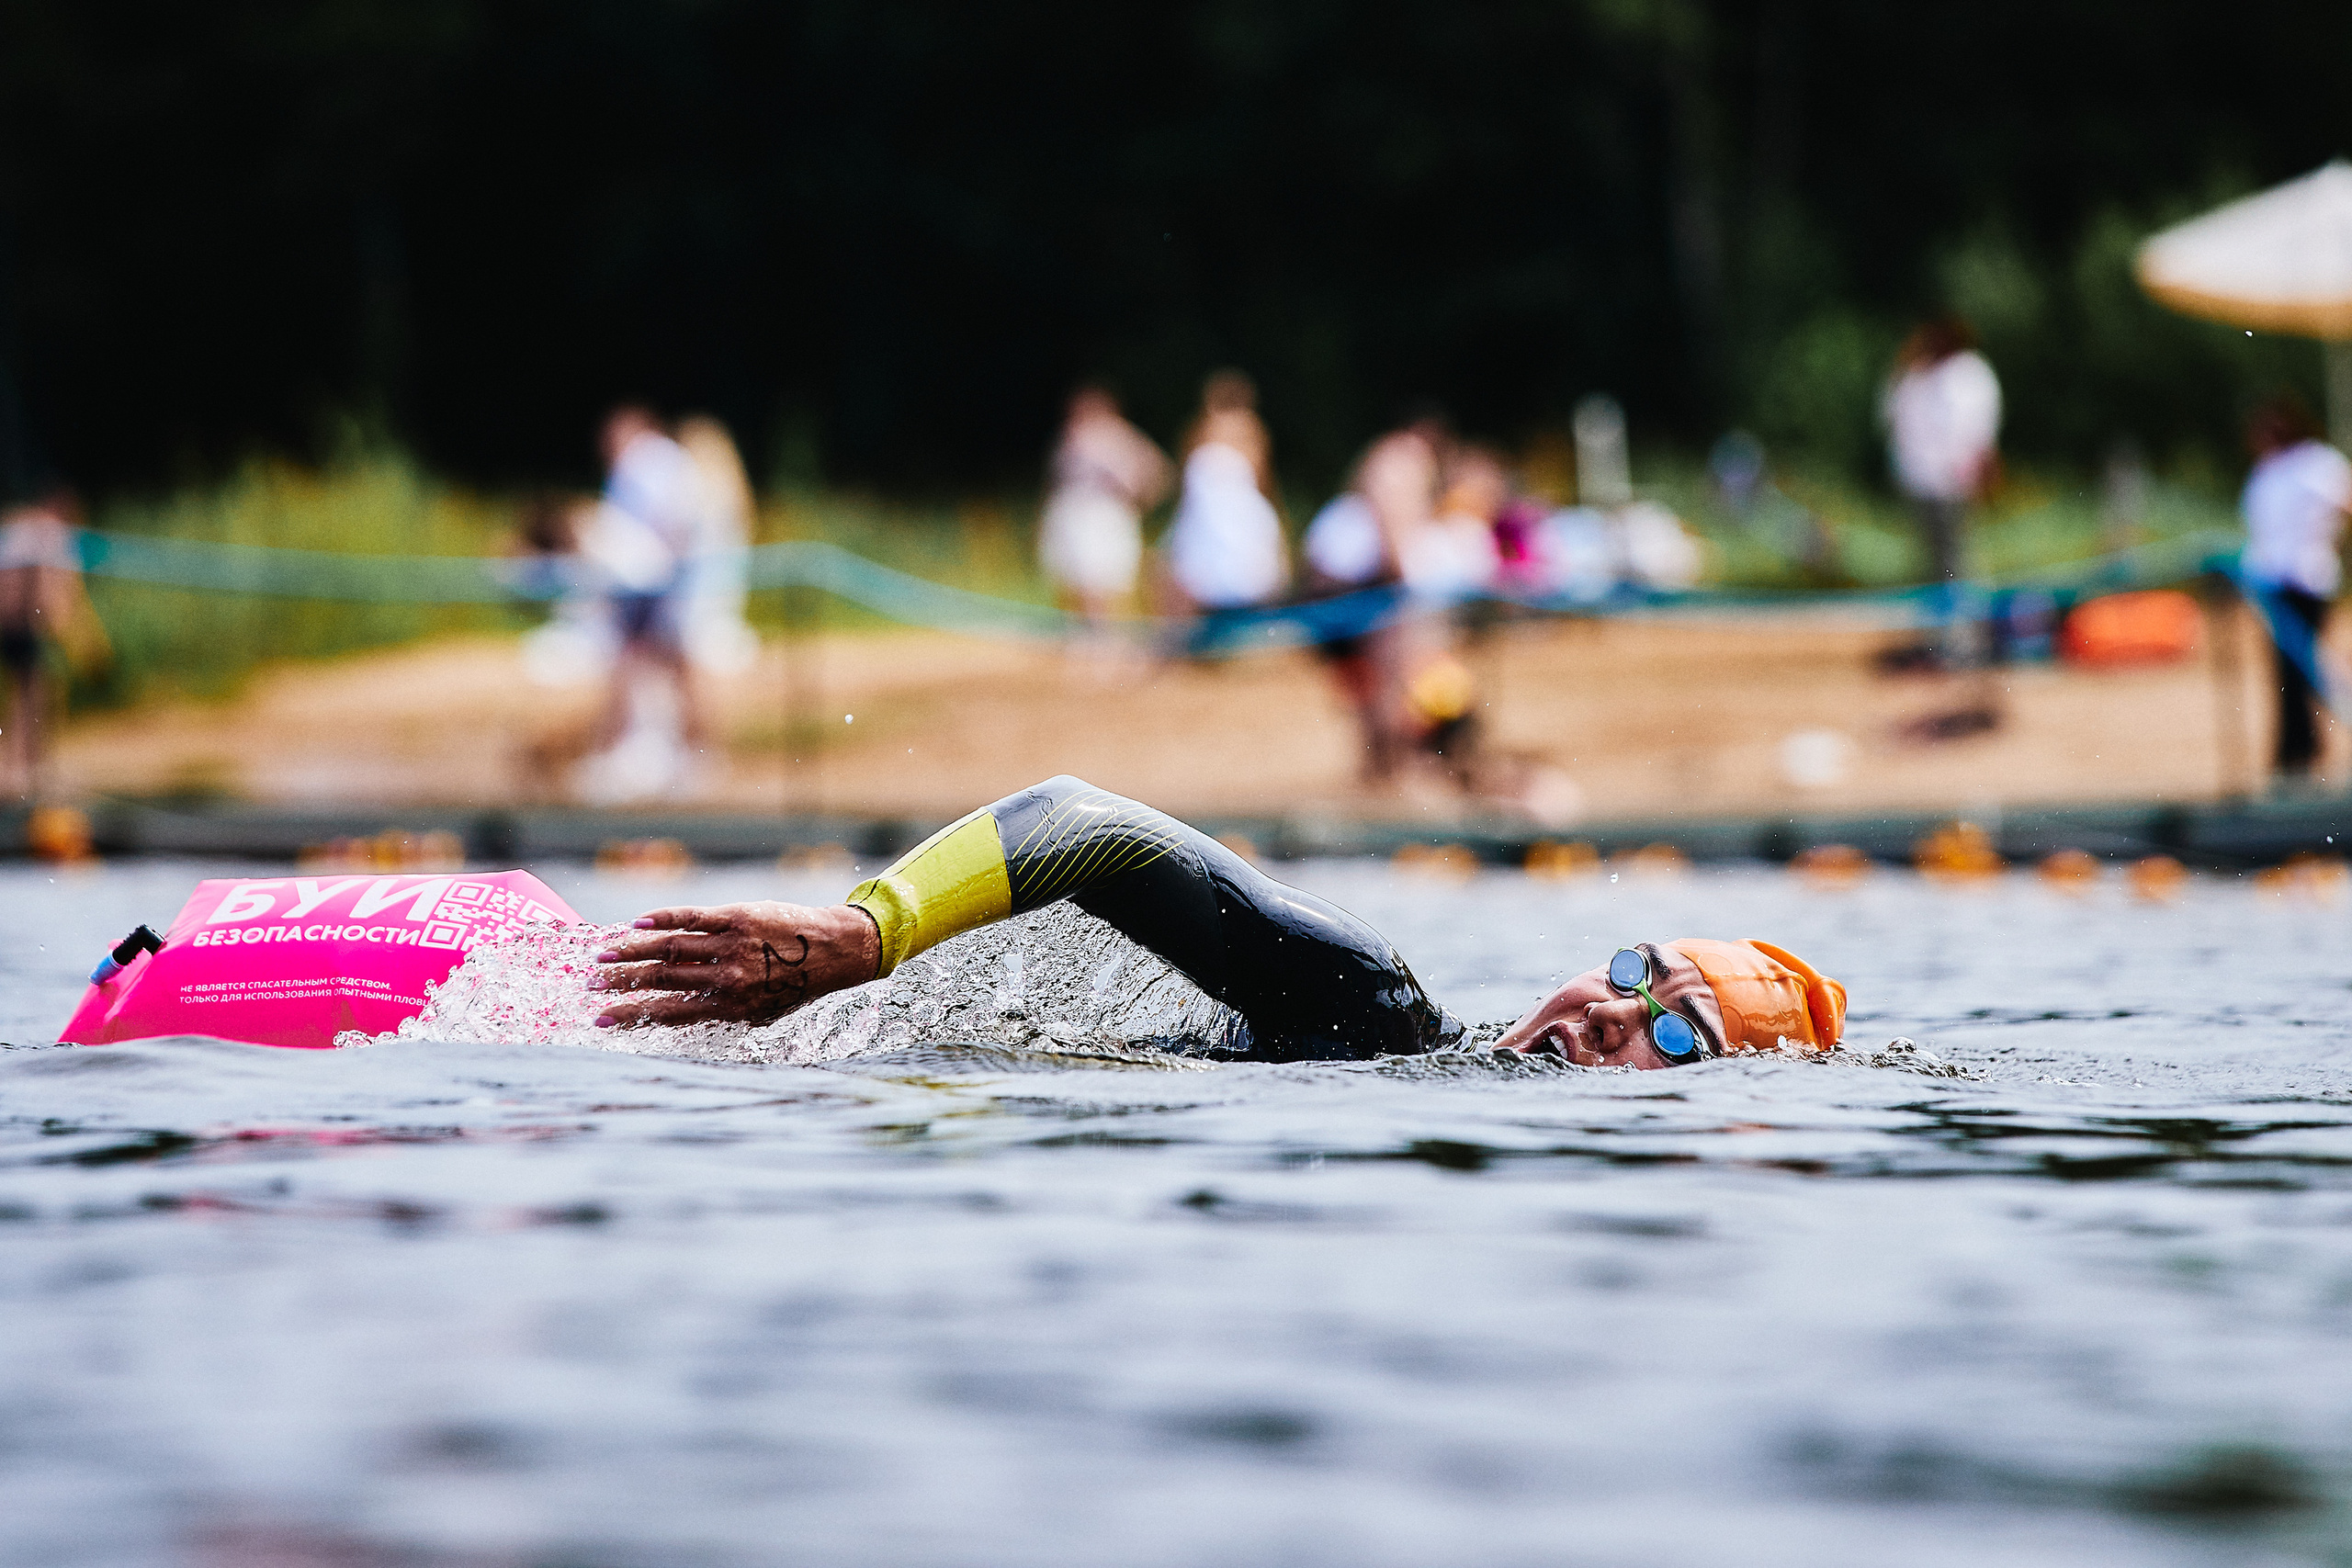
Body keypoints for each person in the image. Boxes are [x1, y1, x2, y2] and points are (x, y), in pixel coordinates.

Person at [590, 774, 1848, 1069]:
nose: (1611, 1014)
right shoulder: (1380, 1015)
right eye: (1639, 973)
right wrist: (870, 932)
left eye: (1675, 1040)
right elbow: (1089, 817)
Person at [2240, 396, 2352, 782]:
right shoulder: (2271, 469)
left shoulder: (2315, 463)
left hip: (2305, 579)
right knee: (2288, 672)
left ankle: (2298, 751)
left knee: (2301, 668)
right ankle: (2298, 749)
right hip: (2272, 581)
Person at [1883, 316, 2001, 664]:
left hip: (1952, 483)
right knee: (1933, 564)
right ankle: (1939, 638)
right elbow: (1897, 416)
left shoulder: (1969, 373)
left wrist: (1975, 469)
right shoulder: (1918, 374)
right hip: (1922, 482)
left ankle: (1965, 641)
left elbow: (1975, 428)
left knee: (1956, 562)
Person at [1038, 387, 1171, 641]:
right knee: (1074, 581)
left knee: (1102, 581)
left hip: (1103, 519)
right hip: (1070, 517)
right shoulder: (1071, 437)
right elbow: (1054, 483)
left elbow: (1157, 470)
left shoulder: (1118, 435)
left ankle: (1105, 639)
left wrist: (1137, 501)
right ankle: (1083, 638)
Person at [1164, 370, 1287, 647]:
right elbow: (1263, 481)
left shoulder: (1198, 430)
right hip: (1225, 518)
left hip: (1208, 520)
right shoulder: (1251, 430)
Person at [0, 487, 107, 800]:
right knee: (36, 694)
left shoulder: (17, 523)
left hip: (7, 625)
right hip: (21, 626)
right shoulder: (54, 534)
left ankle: (16, 773)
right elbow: (54, 600)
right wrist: (83, 648)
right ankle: (23, 776)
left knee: (24, 692)